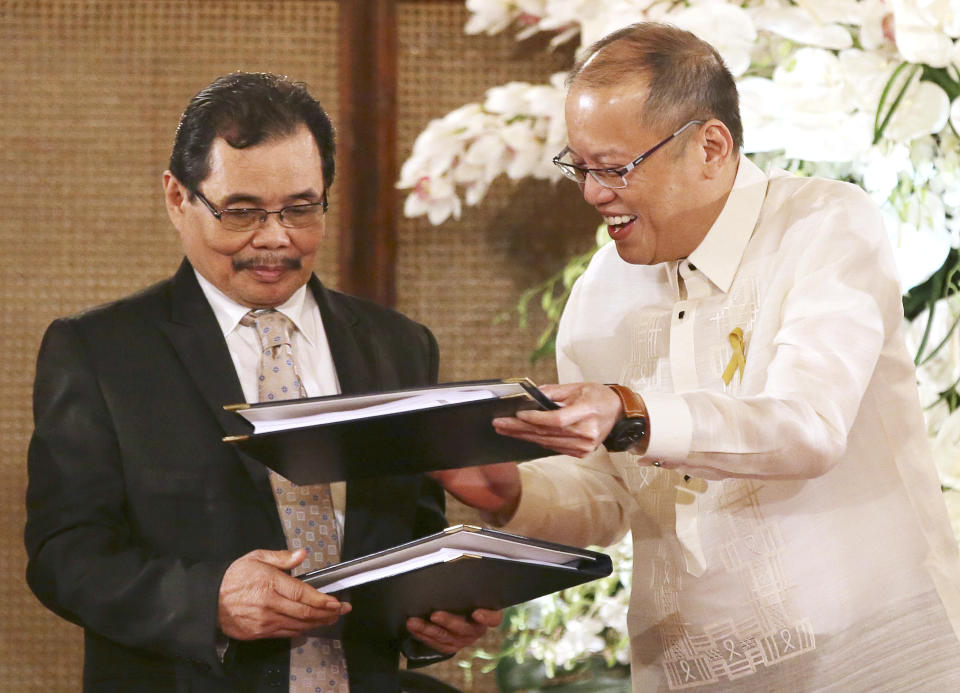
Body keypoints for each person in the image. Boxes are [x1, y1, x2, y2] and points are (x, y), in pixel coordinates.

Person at [434, 23, 960, 692]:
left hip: (876, 654)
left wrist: (632, 411)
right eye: (580, 166)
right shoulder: (600, 293)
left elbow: (807, 425)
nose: (594, 193)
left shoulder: (824, 226)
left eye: (616, 167)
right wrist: (511, 494)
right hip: (691, 668)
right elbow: (608, 497)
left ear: (711, 146)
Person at [25, 72, 499, 693]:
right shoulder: (100, 351)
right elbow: (65, 554)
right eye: (242, 211)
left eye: (301, 209)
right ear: (177, 197)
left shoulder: (398, 344)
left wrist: (432, 618)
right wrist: (209, 599)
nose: (275, 238)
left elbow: (411, 532)